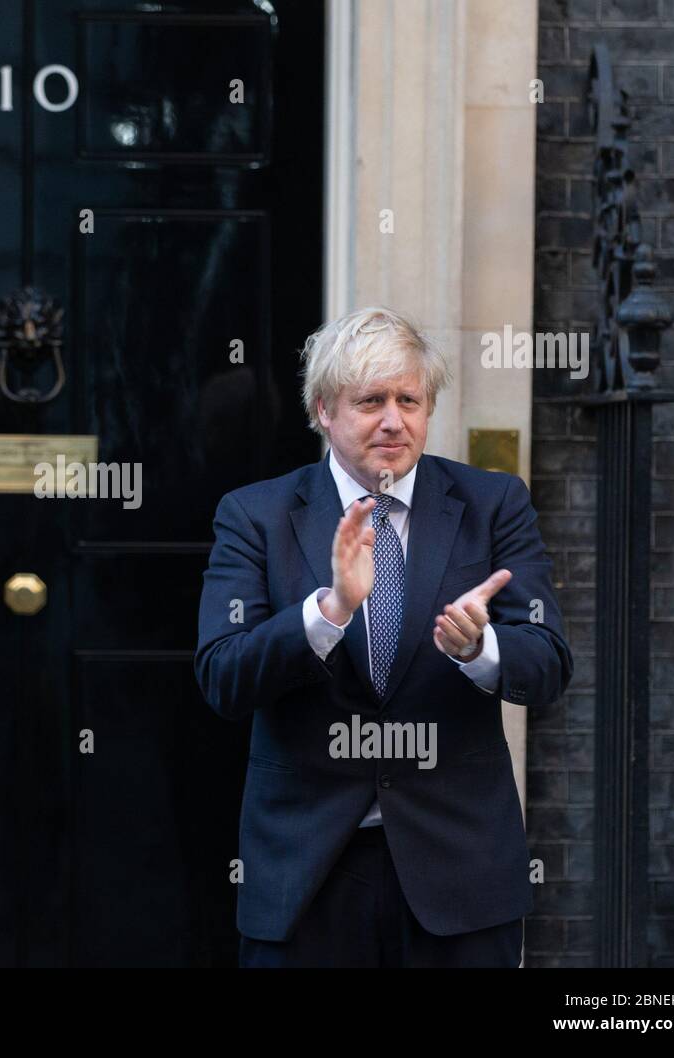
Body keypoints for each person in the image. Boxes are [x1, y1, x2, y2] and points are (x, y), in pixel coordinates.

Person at [194, 306, 572, 968]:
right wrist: (329, 611)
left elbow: (548, 664)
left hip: (459, 877)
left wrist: (480, 650)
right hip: (308, 876)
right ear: (323, 411)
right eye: (371, 400)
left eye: (410, 399)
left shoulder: (493, 504)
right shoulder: (256, 516)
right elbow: (224, 675)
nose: (394, 420)